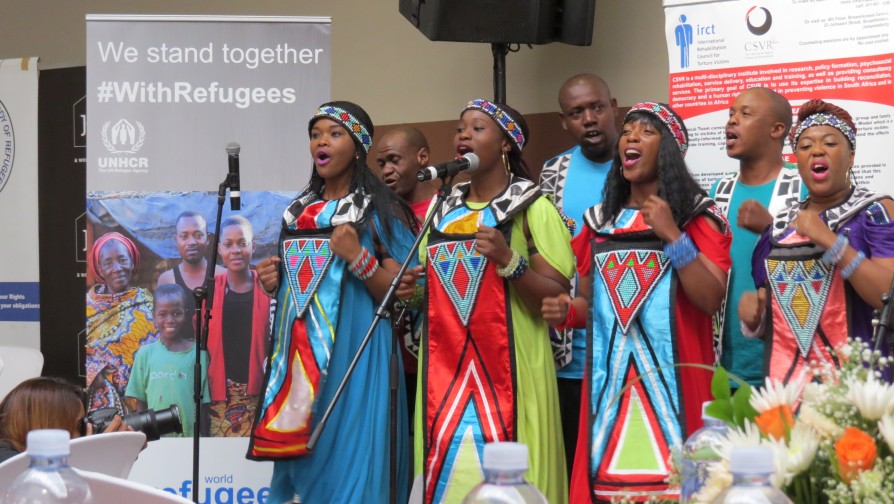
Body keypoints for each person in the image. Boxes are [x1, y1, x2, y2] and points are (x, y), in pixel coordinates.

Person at [542, 102, 731, 503]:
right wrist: (568, 312)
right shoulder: (599, 221)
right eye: (628, 131)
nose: (631, 137)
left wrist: (673, 237)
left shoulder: (696, 216)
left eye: (646, 132)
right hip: (608, 389)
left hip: (677, 383)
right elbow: (589, 303)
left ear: (668, 151)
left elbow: (711, 298)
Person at [399, 99, 574, 504]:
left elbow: (558, 296)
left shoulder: (533, 207)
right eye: (461, 128)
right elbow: (432, 286)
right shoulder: (442, 210)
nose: (463, 135)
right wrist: (414, 290)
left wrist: (510, 261)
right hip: (444, 370)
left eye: (477, 128)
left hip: (512, 368)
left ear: (506, 145)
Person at [248, 101, 417, 503]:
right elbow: (303, 286)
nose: (321, 141)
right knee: (301, 457)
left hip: (356, 357)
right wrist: (276, 282)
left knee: (350, 460)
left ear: (358, 147)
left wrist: (359, 259)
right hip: (300, 362)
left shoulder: (379, 210)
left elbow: (410, 293)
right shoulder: (297, 212)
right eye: (316, 134)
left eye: (334, 133)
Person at [739, 99, 894, 384]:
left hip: (861, 388)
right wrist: (755, 318)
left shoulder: (876, 212)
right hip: (791, 389)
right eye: (806, 146)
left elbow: (888, 300)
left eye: (830, 144)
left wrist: (831, 242)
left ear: (851, 157)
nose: (817, 151)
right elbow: (776, 319)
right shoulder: (779, 228)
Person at [539, 73, 619, 478]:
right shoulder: (552, 175)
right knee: (574, 474)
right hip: (569, 358)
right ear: (564, 121)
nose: (589, 118)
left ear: (613, 107)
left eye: (597, 107)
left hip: (631, 354)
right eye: (576, 112)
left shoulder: (642, 162)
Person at [709, 87, 805, 388]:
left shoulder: (803, 187)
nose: (732, 122)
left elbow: (822, 266)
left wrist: (772, 229)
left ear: (777, 130)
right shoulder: (718, 192)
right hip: (723, 367)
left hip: (784, 369)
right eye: (731, 114)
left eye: (745, 114)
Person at [206, 215, 269, 437]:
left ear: (253, 246)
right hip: (222, 397)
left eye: (242, 243)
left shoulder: (267, 288)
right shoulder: (210, 291)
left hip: (260, 394)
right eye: (228, 244)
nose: (235, 250)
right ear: (220, 249)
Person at [124, 283, 210, 437]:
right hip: (157, 442)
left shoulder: (198, 354)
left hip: (191, 441)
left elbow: (203, 407)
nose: (170, 320)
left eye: (177, 313)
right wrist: (144, 438)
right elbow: (141, 404)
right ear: (154, 315)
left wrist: (203, 440)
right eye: (163, 314)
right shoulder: (145, 355)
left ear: (186, 313)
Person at [86, 232, 156, 414]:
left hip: (144, 402)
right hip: (101, 403)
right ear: (99, 269)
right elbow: (74, 353)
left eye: (123, 260)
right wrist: (95, 372)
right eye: (108, 263)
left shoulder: (148, 301)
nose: (117, 268)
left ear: (132, 263)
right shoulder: (86, 308)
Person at [0, 377, 130, 463]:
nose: (80, 435)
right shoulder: (7, 462)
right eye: (78, 426)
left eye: (80, 426)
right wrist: (93, 458)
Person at [157, 210, 225, 314]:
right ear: (176, 240)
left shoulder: (223, 276)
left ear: (207, 239)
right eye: (184, 236)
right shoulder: (166, 280)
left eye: (198, 235)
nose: (191, 242)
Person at [376, 126, 438, 222]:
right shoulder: (382, 216)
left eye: (395, 160)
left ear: (422, 157)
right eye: (382, 164)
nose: (386, 171)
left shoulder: (451, 208)